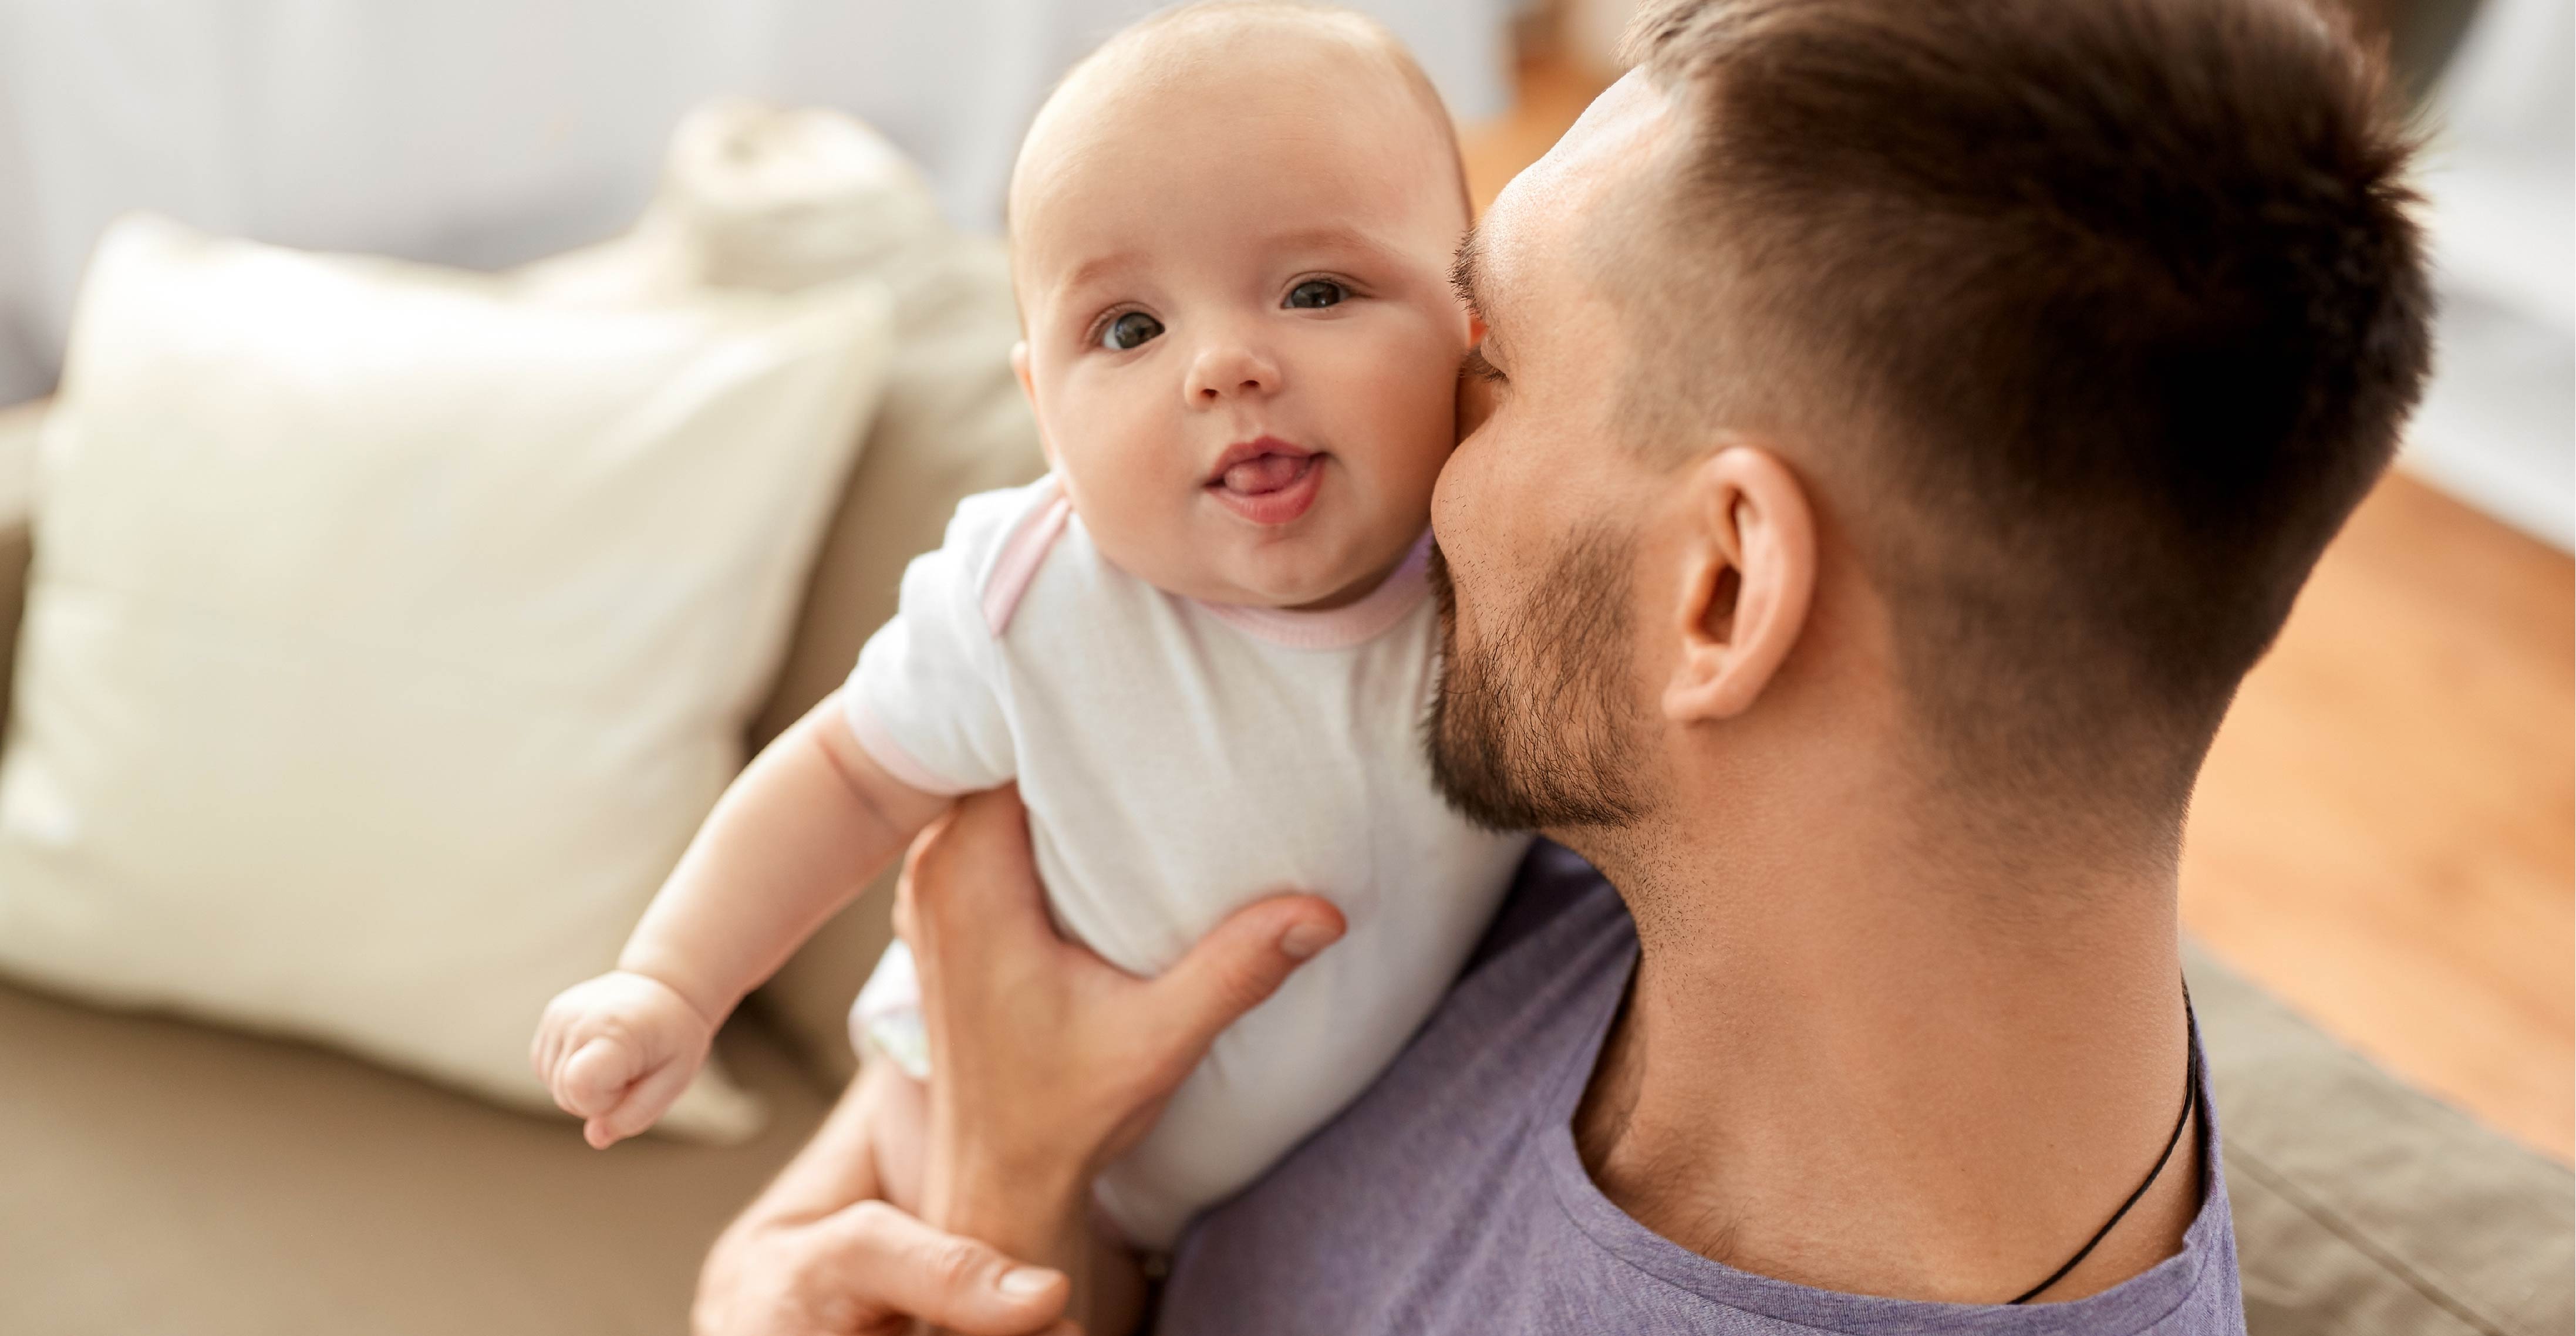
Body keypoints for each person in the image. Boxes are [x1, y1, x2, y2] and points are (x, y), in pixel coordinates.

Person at [696, 0, 2435, 1330]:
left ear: (1720, 589)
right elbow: (822, 1218)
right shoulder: (1592, 828)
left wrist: (1011, 1176)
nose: (1411, 434)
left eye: (1497, 363)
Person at [532, 0, 1530, 1310]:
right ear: (1042, 410)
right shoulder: (1030, 596)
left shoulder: (1508, 574)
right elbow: (845, 775)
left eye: (1316, 290)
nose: (1226, 366)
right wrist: (672, 979)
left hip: (1275, 1192)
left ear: (1473, 328)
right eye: (1128, 329)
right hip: (944, 1116)